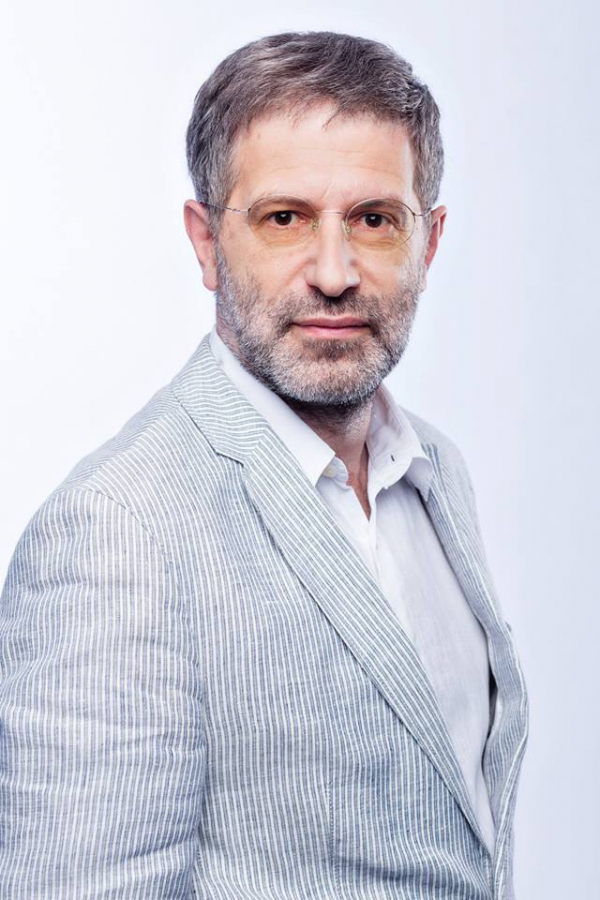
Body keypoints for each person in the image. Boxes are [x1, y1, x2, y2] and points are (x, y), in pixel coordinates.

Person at [0, 31, 528, 900]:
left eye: (374, 220)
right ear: (207, 242)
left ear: (429, 244)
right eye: (285, 219)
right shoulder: (119, 535)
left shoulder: (437, 470)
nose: (334, 272)